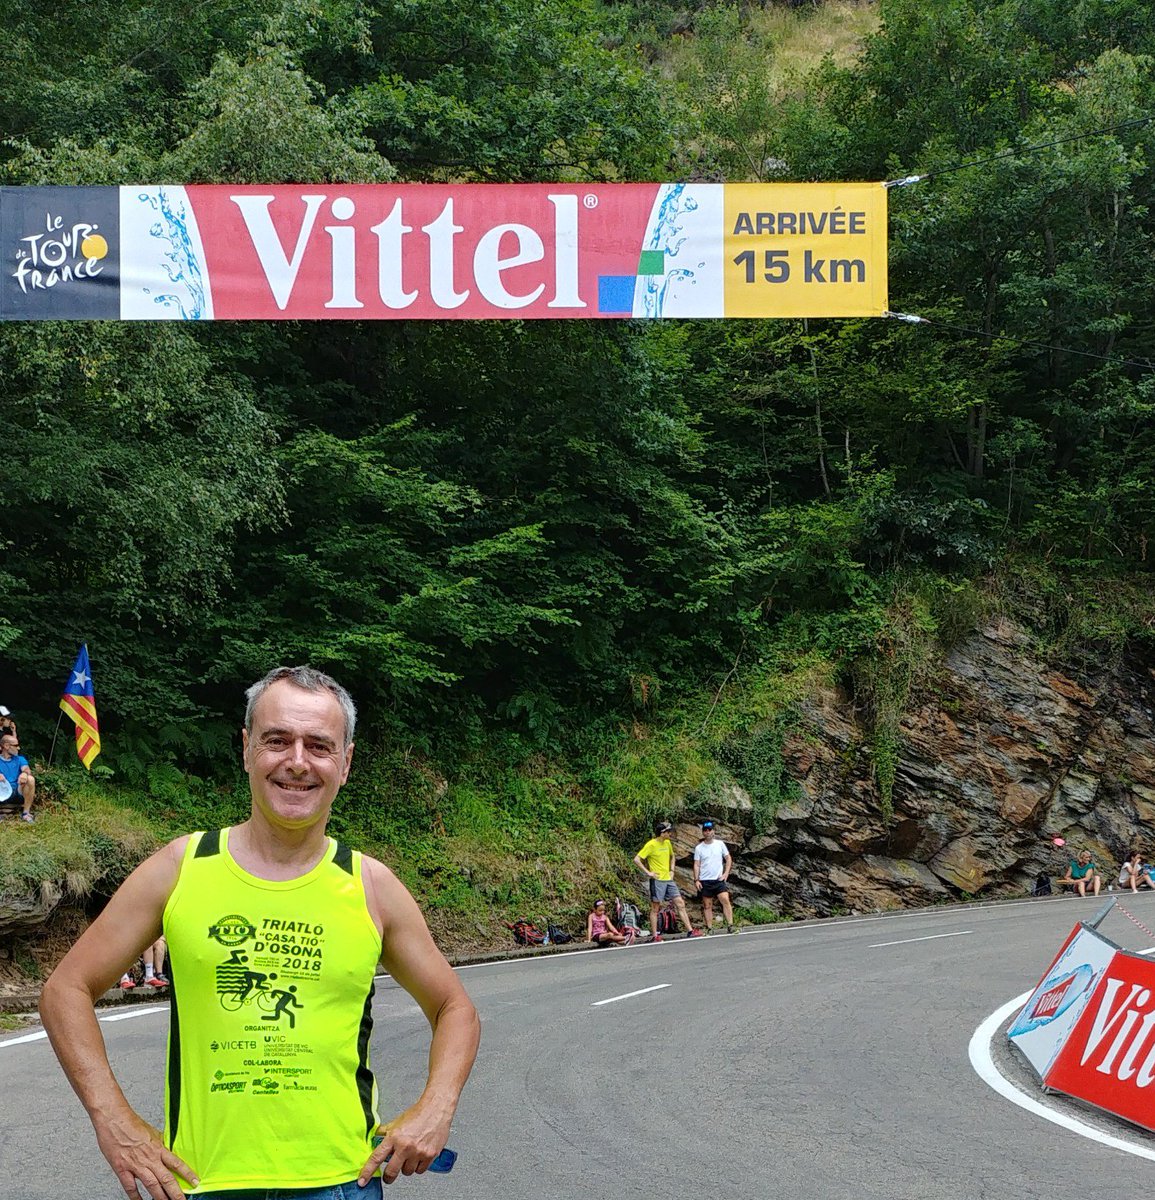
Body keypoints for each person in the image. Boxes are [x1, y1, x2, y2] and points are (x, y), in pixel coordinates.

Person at [40, 665, 481, 1200]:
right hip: (203, 1183)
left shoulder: (370, 885)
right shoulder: (183, 866)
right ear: (247, 748)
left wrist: (435, 1108)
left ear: (346, 763)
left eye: (319, 746)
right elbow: (66, 990)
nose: (297, 762)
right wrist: (112, 1120)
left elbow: (454, 1007)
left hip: (342, 1182)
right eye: (277, 740)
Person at [633, 820, 702, 942]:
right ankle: (655, 935)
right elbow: (637, 859)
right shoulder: (651, 845)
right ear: (662, 833)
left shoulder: (667, 843)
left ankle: (690, 931)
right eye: (668, 831)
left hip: (668, 879)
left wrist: (672, 870)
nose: (670, 833)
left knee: (680, 903)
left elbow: (672, 856)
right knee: (655, 907)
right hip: (658, 880)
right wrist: (648, 872)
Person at [693, 820, 738, 934]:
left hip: (718, 879)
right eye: (705, 830)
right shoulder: (699, 848)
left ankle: (730, 925)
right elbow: (697, 864)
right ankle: (709, 928)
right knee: (707, 905)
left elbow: (728, 858)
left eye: (709, 830)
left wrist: (726, 873)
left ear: (713, 831)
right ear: (703, 832)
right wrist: (696, 879)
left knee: (725, 900)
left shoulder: (720, 844)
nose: (707, 832)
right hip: (705, 880)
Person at [0, 730, 36, 822]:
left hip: (17, 791)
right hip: (2, 792)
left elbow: (27, 769)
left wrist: (24, 773)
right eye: (15, 745)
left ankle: (26, 814)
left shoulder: (20, 759)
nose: (18, 748)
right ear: (6, 746)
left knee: (30, 779)